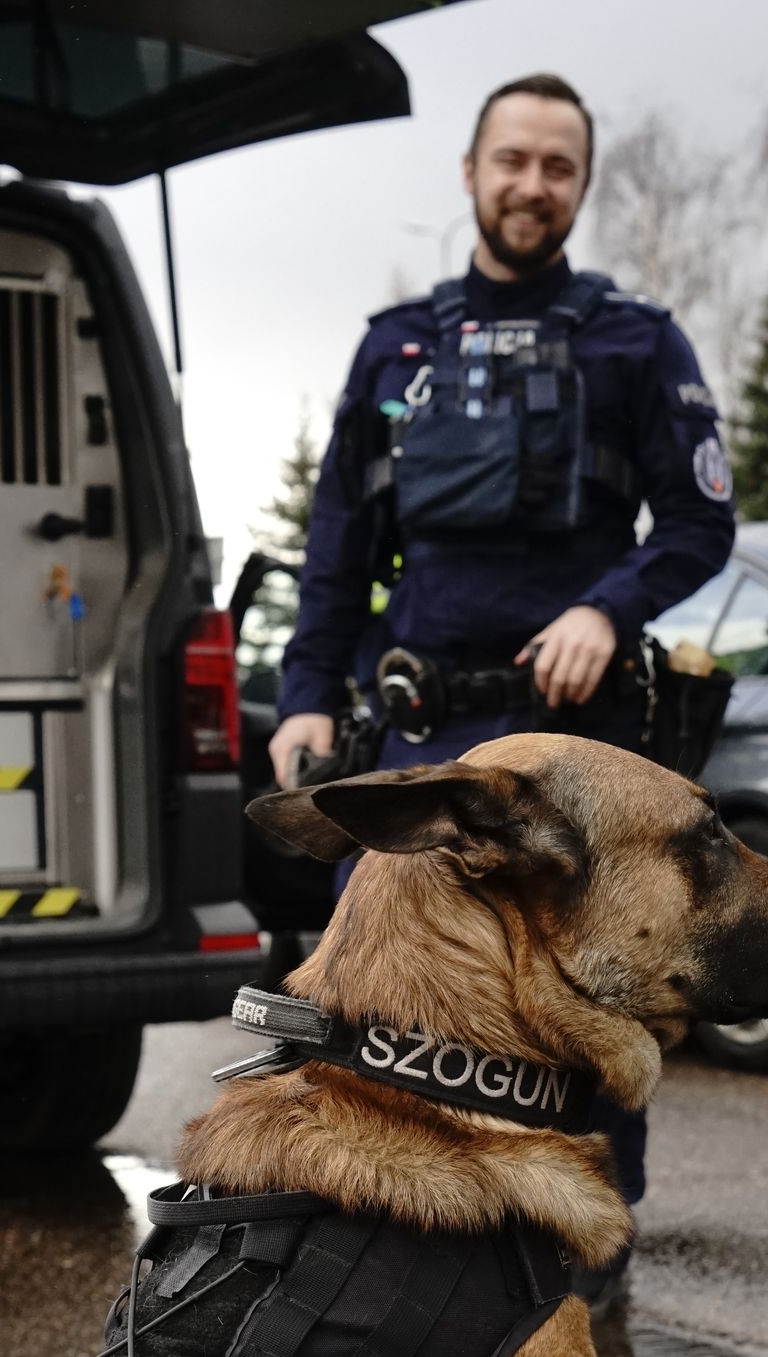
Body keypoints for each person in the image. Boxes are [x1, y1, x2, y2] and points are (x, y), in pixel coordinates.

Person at [270, 72, 736, 1284]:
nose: (533, 185)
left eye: (558, 167)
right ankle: (390, 1260)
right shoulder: (397, 349)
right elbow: (339, 551)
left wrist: (608, 605)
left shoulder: (636, 342)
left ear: (579, 185)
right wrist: (309, 690)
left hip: (578, 743)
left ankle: (579, 1283)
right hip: (425, 735)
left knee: (594, 1008)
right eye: (513, 161)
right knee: (384, 1000)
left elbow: (698, 525)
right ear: (471, 172)